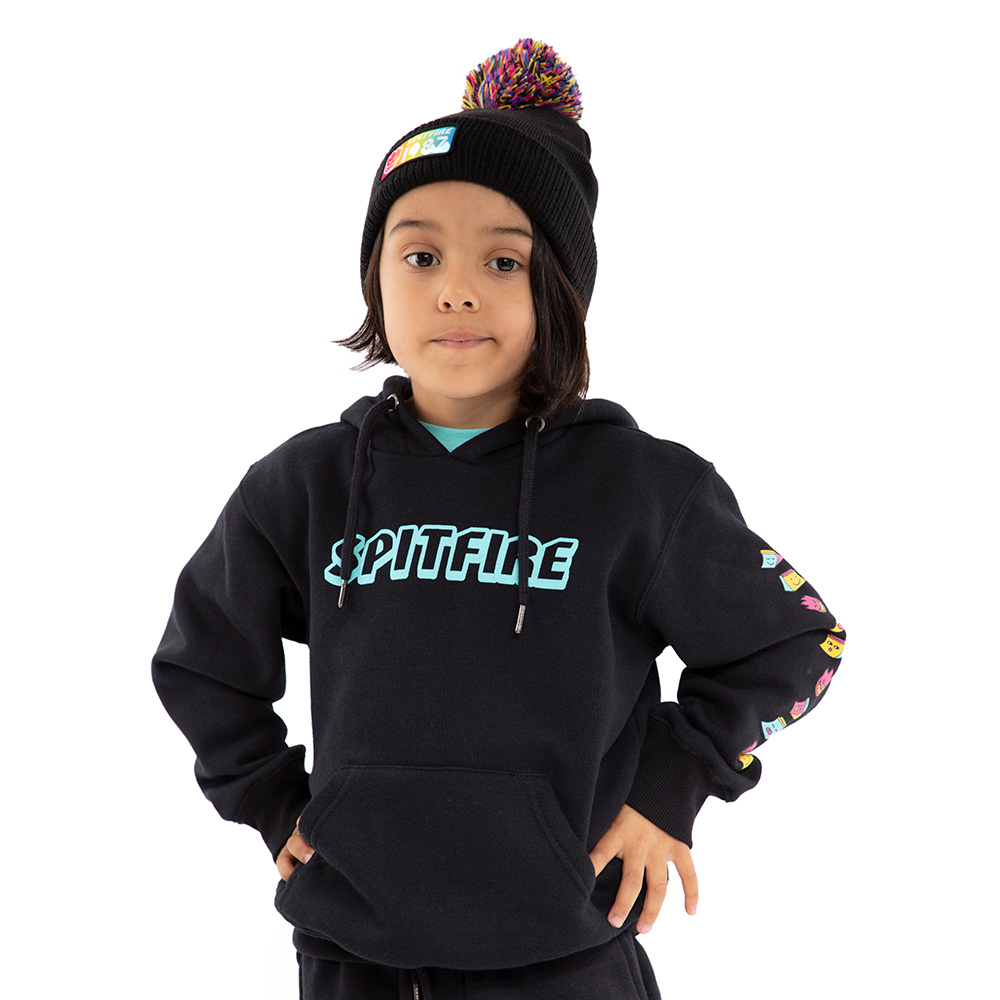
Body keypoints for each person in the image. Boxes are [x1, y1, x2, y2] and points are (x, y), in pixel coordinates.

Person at [152, 38, 846, 1000]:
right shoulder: (304, 484)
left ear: (558, 289)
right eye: (420, 254)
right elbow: (200, 660)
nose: (456, 287)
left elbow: (799, 638)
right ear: (376, 279)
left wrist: (673, 785)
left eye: (504, 259)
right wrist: (271, 801)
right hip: (355, 957)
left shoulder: (641, 489)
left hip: (566, 955)